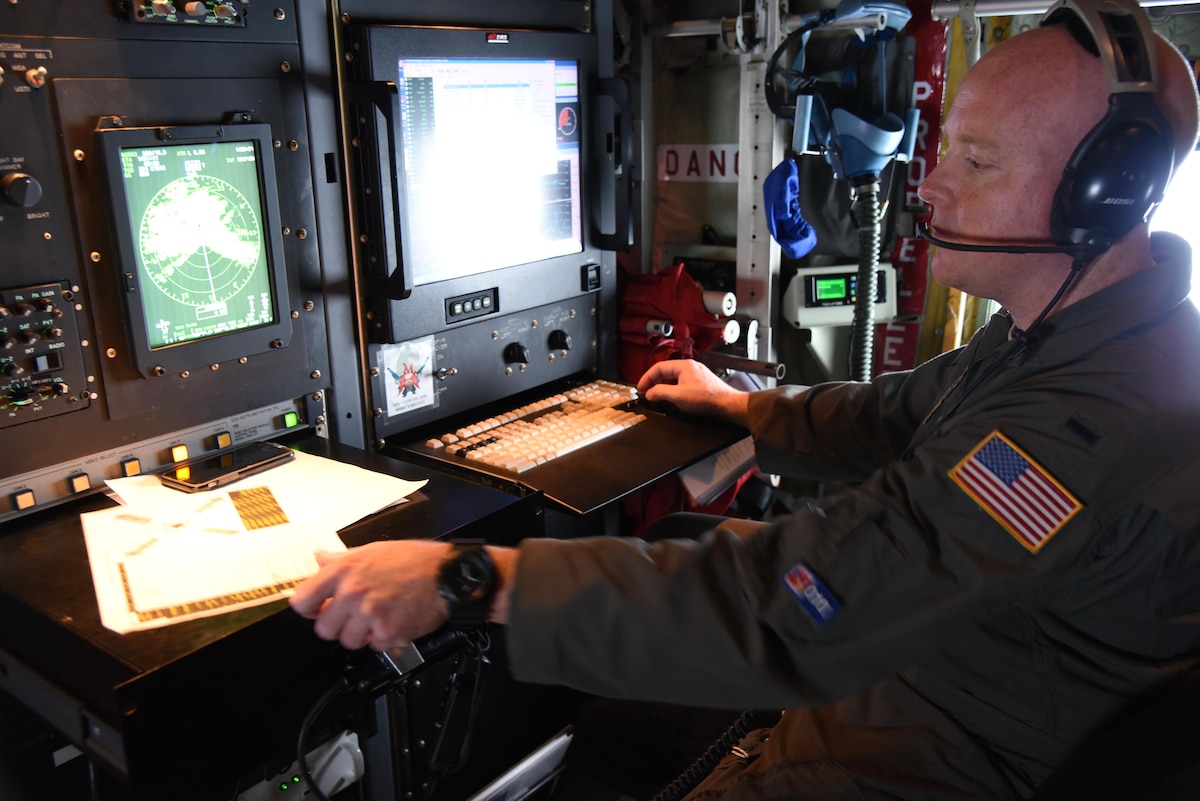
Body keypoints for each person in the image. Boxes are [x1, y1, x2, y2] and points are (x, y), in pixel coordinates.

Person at [291, 2, 1200, 798]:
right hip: (928, 694)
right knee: (693, 543)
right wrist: (742, 411)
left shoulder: (1086, 426)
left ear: (1102, 196)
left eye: (978, 160)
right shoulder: (1068, 335)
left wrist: (471, 578)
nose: (931, 184)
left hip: (939, 753)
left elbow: (800, 604)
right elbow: (893, 417)